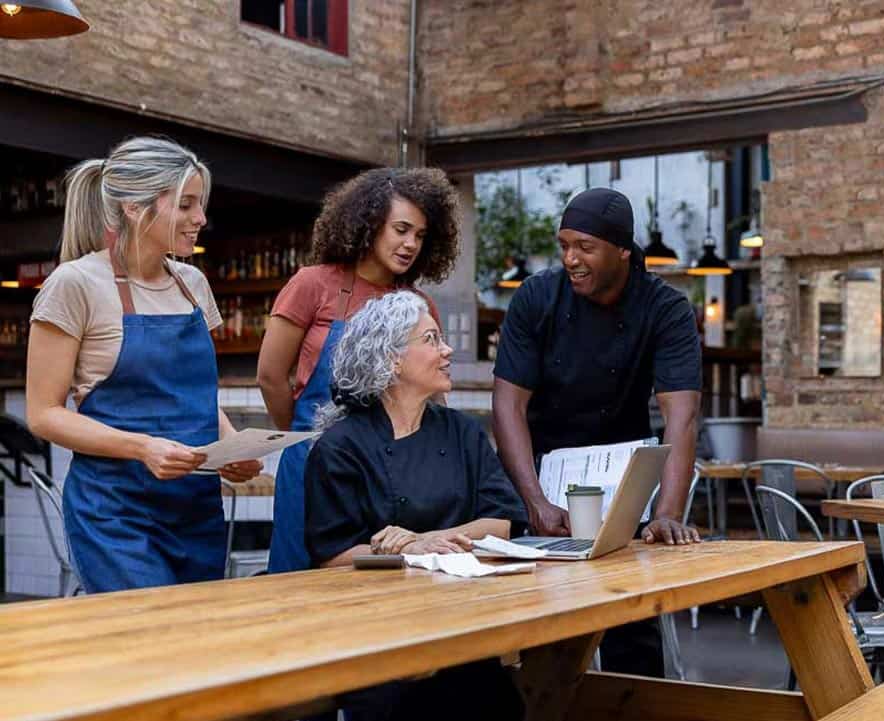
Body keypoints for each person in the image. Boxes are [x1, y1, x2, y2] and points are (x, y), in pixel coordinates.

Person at [26, 137, 262, 594]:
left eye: (201, 205)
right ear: (135, 208)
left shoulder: (192, 283)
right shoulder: (74, 284)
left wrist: (232, 446)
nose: (201, 219)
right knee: (145, 645)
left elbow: (193, 398)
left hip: (196, 509)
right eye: (186, 205)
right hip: (117, 514)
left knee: (197, 648)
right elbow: (42, 414)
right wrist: (143, 448)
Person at [492, 187, 703, 677]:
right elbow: (508, 404)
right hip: (543, 468)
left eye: (585, 246)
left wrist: (667, 512)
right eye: (564, 245)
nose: (571, 258)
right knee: (545, 622)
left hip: (623, 472)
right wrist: (534, 501)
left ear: (623, 249)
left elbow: (681, 415)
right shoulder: (537, 298)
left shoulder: (665, 309)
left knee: (632, 617)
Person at [305, 291, 526, 721]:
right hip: (381, 635)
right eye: (430, 339)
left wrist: (424, 542)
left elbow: (501, 522)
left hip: (465, 625)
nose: (447, 350)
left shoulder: (463, 432)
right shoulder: (341, 448)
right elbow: (332, 558)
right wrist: (405, 555)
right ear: (390, 361)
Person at [258, 167, 459, 574]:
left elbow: (431, 401)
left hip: (390, 474)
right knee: (297, 585)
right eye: (401, 229)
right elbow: (270, 376)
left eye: (420, 235)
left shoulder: (419, 306)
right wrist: (306, 437)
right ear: (368, 224)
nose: (410, 244)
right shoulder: (312, 285)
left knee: (379, 581)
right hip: (310, 464)